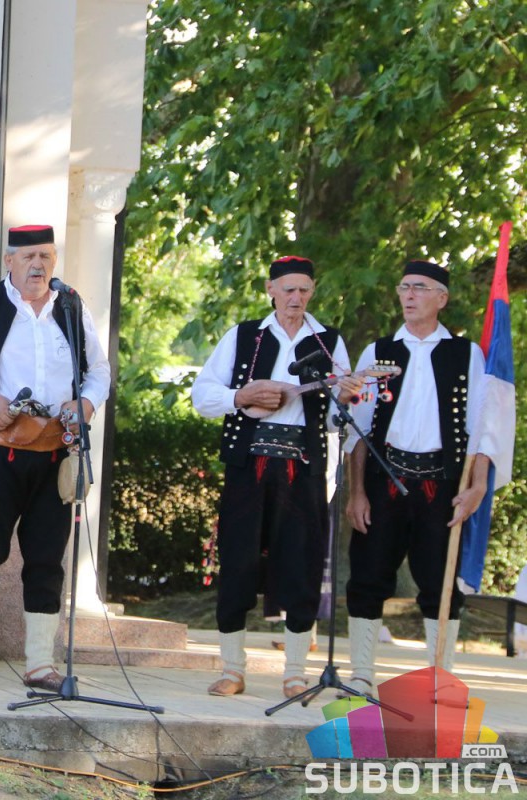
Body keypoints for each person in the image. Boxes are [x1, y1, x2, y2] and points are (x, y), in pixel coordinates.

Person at [0, 224, 111, 692]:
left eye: (46, 256)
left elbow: (99, 370)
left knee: (48, 558)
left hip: (54, 452)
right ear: (8, 261)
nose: (38, 265)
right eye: (29, 256)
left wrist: (86, 403)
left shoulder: (71, 306)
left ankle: (40, 665)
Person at [191, 256, 361, 699]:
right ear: (271, 289)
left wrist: (346, 398)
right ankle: (233, 669)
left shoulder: (328, 343)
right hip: (248, 466)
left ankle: (295, 673)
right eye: (288, 290)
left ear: (312, 292)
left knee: (301, 563)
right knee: (239, 561)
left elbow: (336, 420)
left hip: (303, 468)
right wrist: (240, 396)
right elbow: (203, 395)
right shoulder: (244, 335)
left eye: (304, 290)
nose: (295, 298)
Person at [343, 260, 491, 691]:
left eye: (420, 288)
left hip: (441, 483)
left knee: (439, 582)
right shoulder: (378, 352)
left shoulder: (466, 354)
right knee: (368, 576)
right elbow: (359, 430)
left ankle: (440, 681)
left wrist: (478, 485)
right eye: (404, 286)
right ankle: (361, 675)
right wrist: (357, 493)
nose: (409, 295)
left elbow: (482, 426)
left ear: (441, 298)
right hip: (383, 478)